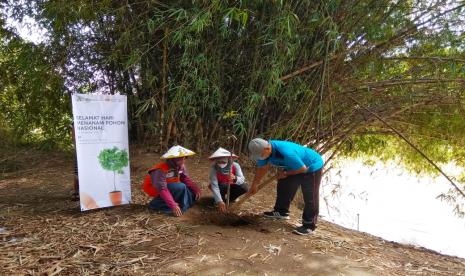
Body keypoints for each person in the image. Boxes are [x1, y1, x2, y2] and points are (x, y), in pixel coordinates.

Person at [248, 138, 324, 235]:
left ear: (267, 149)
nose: (260, 157)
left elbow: (302, 169)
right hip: (294, 166)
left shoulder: (287, 152)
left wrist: (287, 173)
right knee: (284, 185)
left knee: (310, 195)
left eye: (261, 154)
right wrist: (255, 184)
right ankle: (281, 211)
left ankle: (309, 225)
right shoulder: (265, 153)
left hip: (311, 166)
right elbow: (262, 167)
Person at [142, 145, 201, 216]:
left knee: (191, 192)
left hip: (171, 188)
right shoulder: (160, 170)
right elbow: (162, 189)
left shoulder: (180, 166)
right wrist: (173, 205)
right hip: (157, 189)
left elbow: (185, 178)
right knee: (180, 187)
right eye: (179, 158)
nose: (183, 161)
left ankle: (179, 205)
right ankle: (155, 205)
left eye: (184, 158)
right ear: (172, 159)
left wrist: (196, 190)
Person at [208, 147, 248, 212]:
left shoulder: (235, 166)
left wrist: (235, 178)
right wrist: (219, 201)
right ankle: (220, 200)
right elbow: (214, 186)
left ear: (228, 160)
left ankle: (231, 199)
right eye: (219, 162)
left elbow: (242, 180)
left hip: (232, 185)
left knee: (244, 187)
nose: (221, 164)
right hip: (221, 186)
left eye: (223, 162)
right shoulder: (214, 169)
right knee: (222, 188)